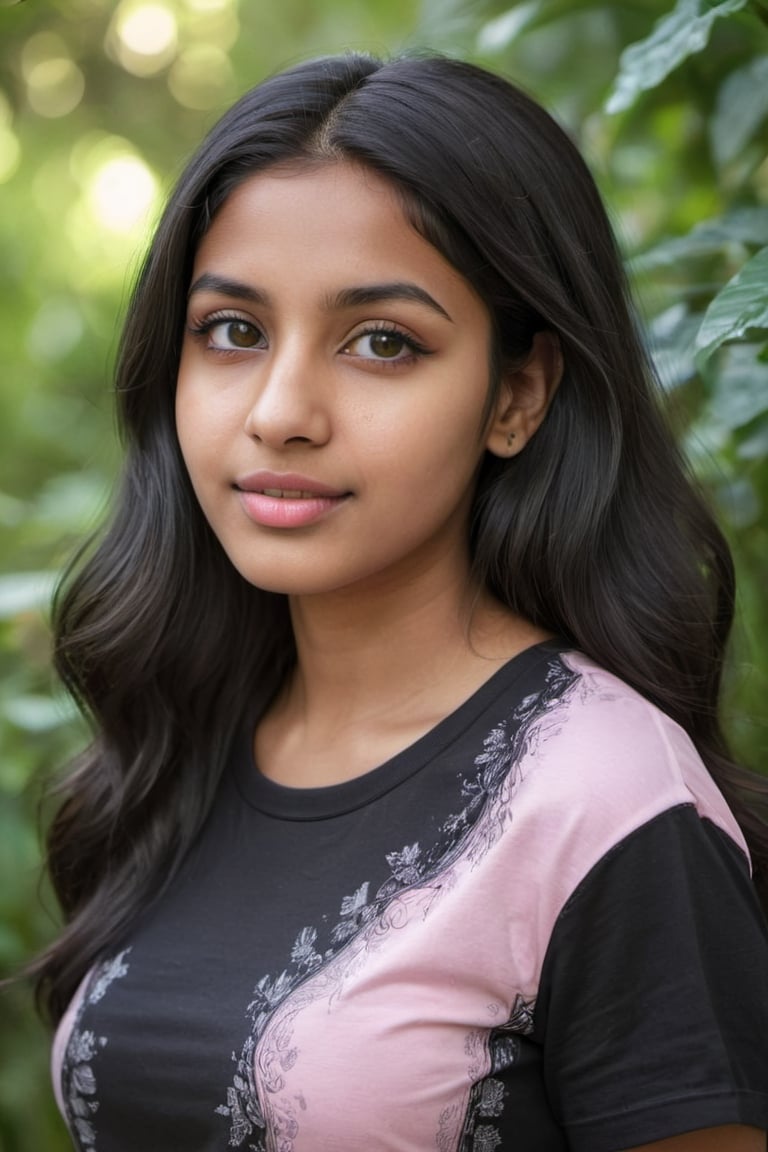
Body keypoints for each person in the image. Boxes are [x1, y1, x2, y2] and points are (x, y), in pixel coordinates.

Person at [30, 51, 768, 1151]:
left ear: (517, 395)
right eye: (233, 330)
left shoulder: (607, 804)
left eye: (383, 343)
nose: (280, 411)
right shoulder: (185, 740)